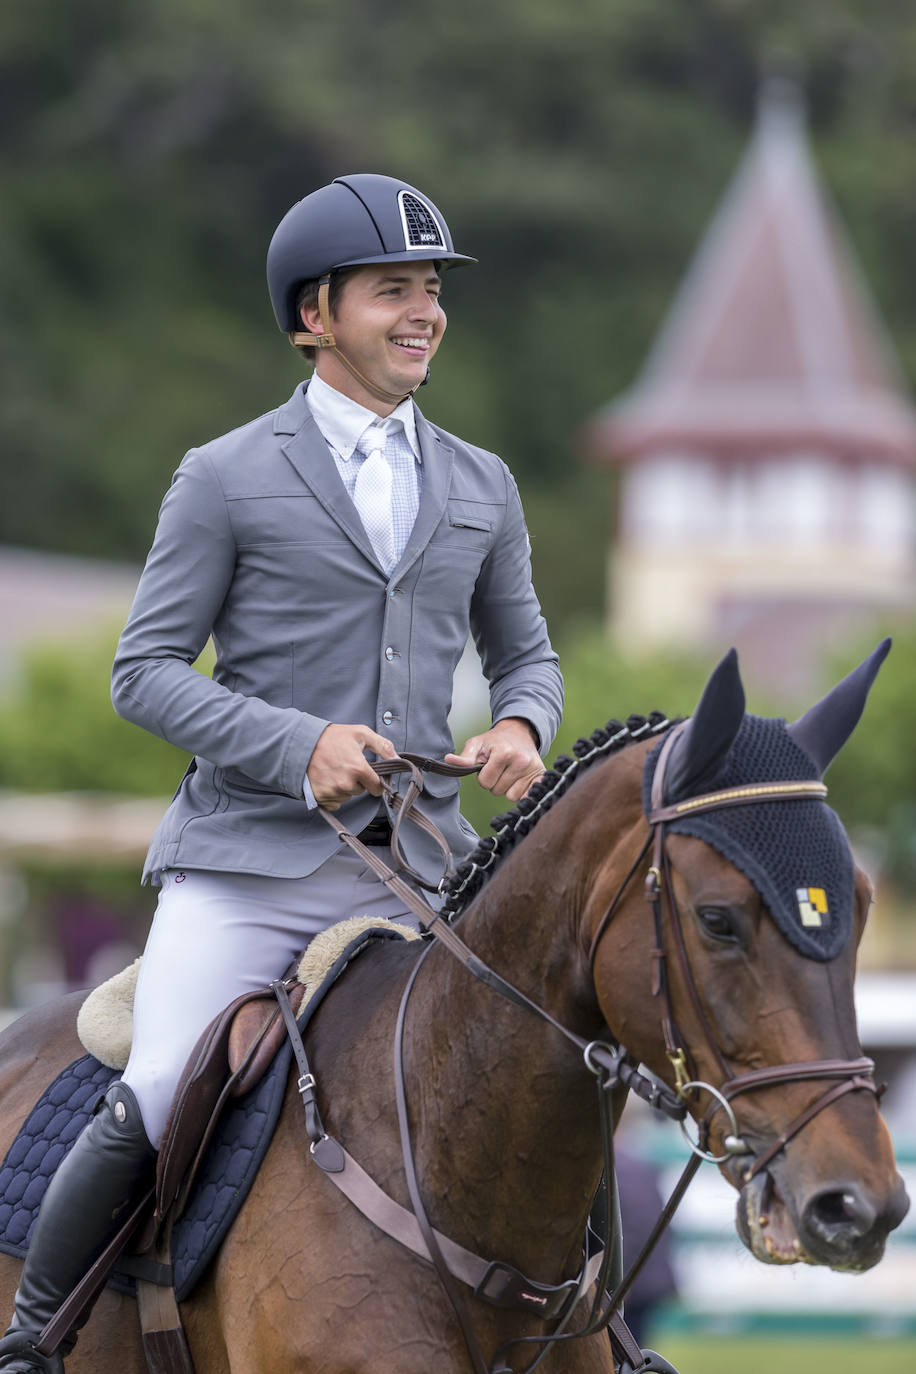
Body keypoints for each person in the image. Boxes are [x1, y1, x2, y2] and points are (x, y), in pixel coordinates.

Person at [0, 173, 563, 1371]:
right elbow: (143, 671)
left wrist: (522, 721)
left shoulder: (481, 483)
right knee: (155, 1081)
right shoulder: (225, 474)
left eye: (432, 291)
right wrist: (297, 744)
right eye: (392, 292)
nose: (424, 313)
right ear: (315, 315)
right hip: (251, 864)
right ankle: (35, 1338)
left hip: (419, 870)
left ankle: (597, 1332)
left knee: (540, 1069)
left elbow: (530, 655)